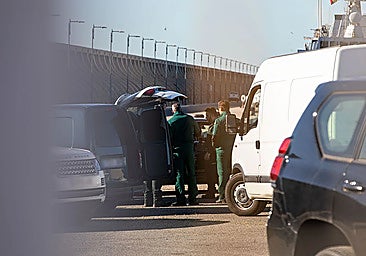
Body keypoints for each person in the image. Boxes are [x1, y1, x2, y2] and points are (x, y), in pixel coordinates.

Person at [168, 102, 201, 206]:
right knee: (191, 173)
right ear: (181, 108)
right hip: (189, 148)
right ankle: (193, 198)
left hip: (177, 150)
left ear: (173, 110)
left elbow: (169, 138)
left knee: (179, 174)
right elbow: (198, 132)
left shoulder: (171, 121)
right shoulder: (189, 119)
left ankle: (180, 199)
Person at [211, 100, 236, 203]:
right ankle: (230, 194)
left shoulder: (218, 120)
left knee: (222, 173)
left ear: (220, 108)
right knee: (231, 171)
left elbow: (214, 136)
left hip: (221, 150)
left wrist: (214, 146)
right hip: (232, 149)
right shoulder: (234, 119)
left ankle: (222, 195)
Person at [202, 107, 220, 199]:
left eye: (207, 115)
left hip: (213, 154)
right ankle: (212, 191)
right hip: (215, 153)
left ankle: (212, 192)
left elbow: (212, 141)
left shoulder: (215, 125)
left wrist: (209, 152)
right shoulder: (214, 124)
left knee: (212, 174)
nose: (206, 118)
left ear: (212, 115)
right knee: (213, 174)